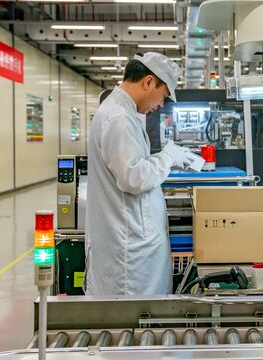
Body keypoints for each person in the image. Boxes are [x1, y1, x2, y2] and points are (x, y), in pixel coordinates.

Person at [84, 52, 196, 296]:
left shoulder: (121, 113)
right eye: (164, 95)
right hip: (128, 253)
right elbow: (133, 178)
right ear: (148, 82)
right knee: (133, 316)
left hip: (130, 242)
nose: (162, 105)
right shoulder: (119, 118)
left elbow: (132, 167)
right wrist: (167, 158)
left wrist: (166, 161)